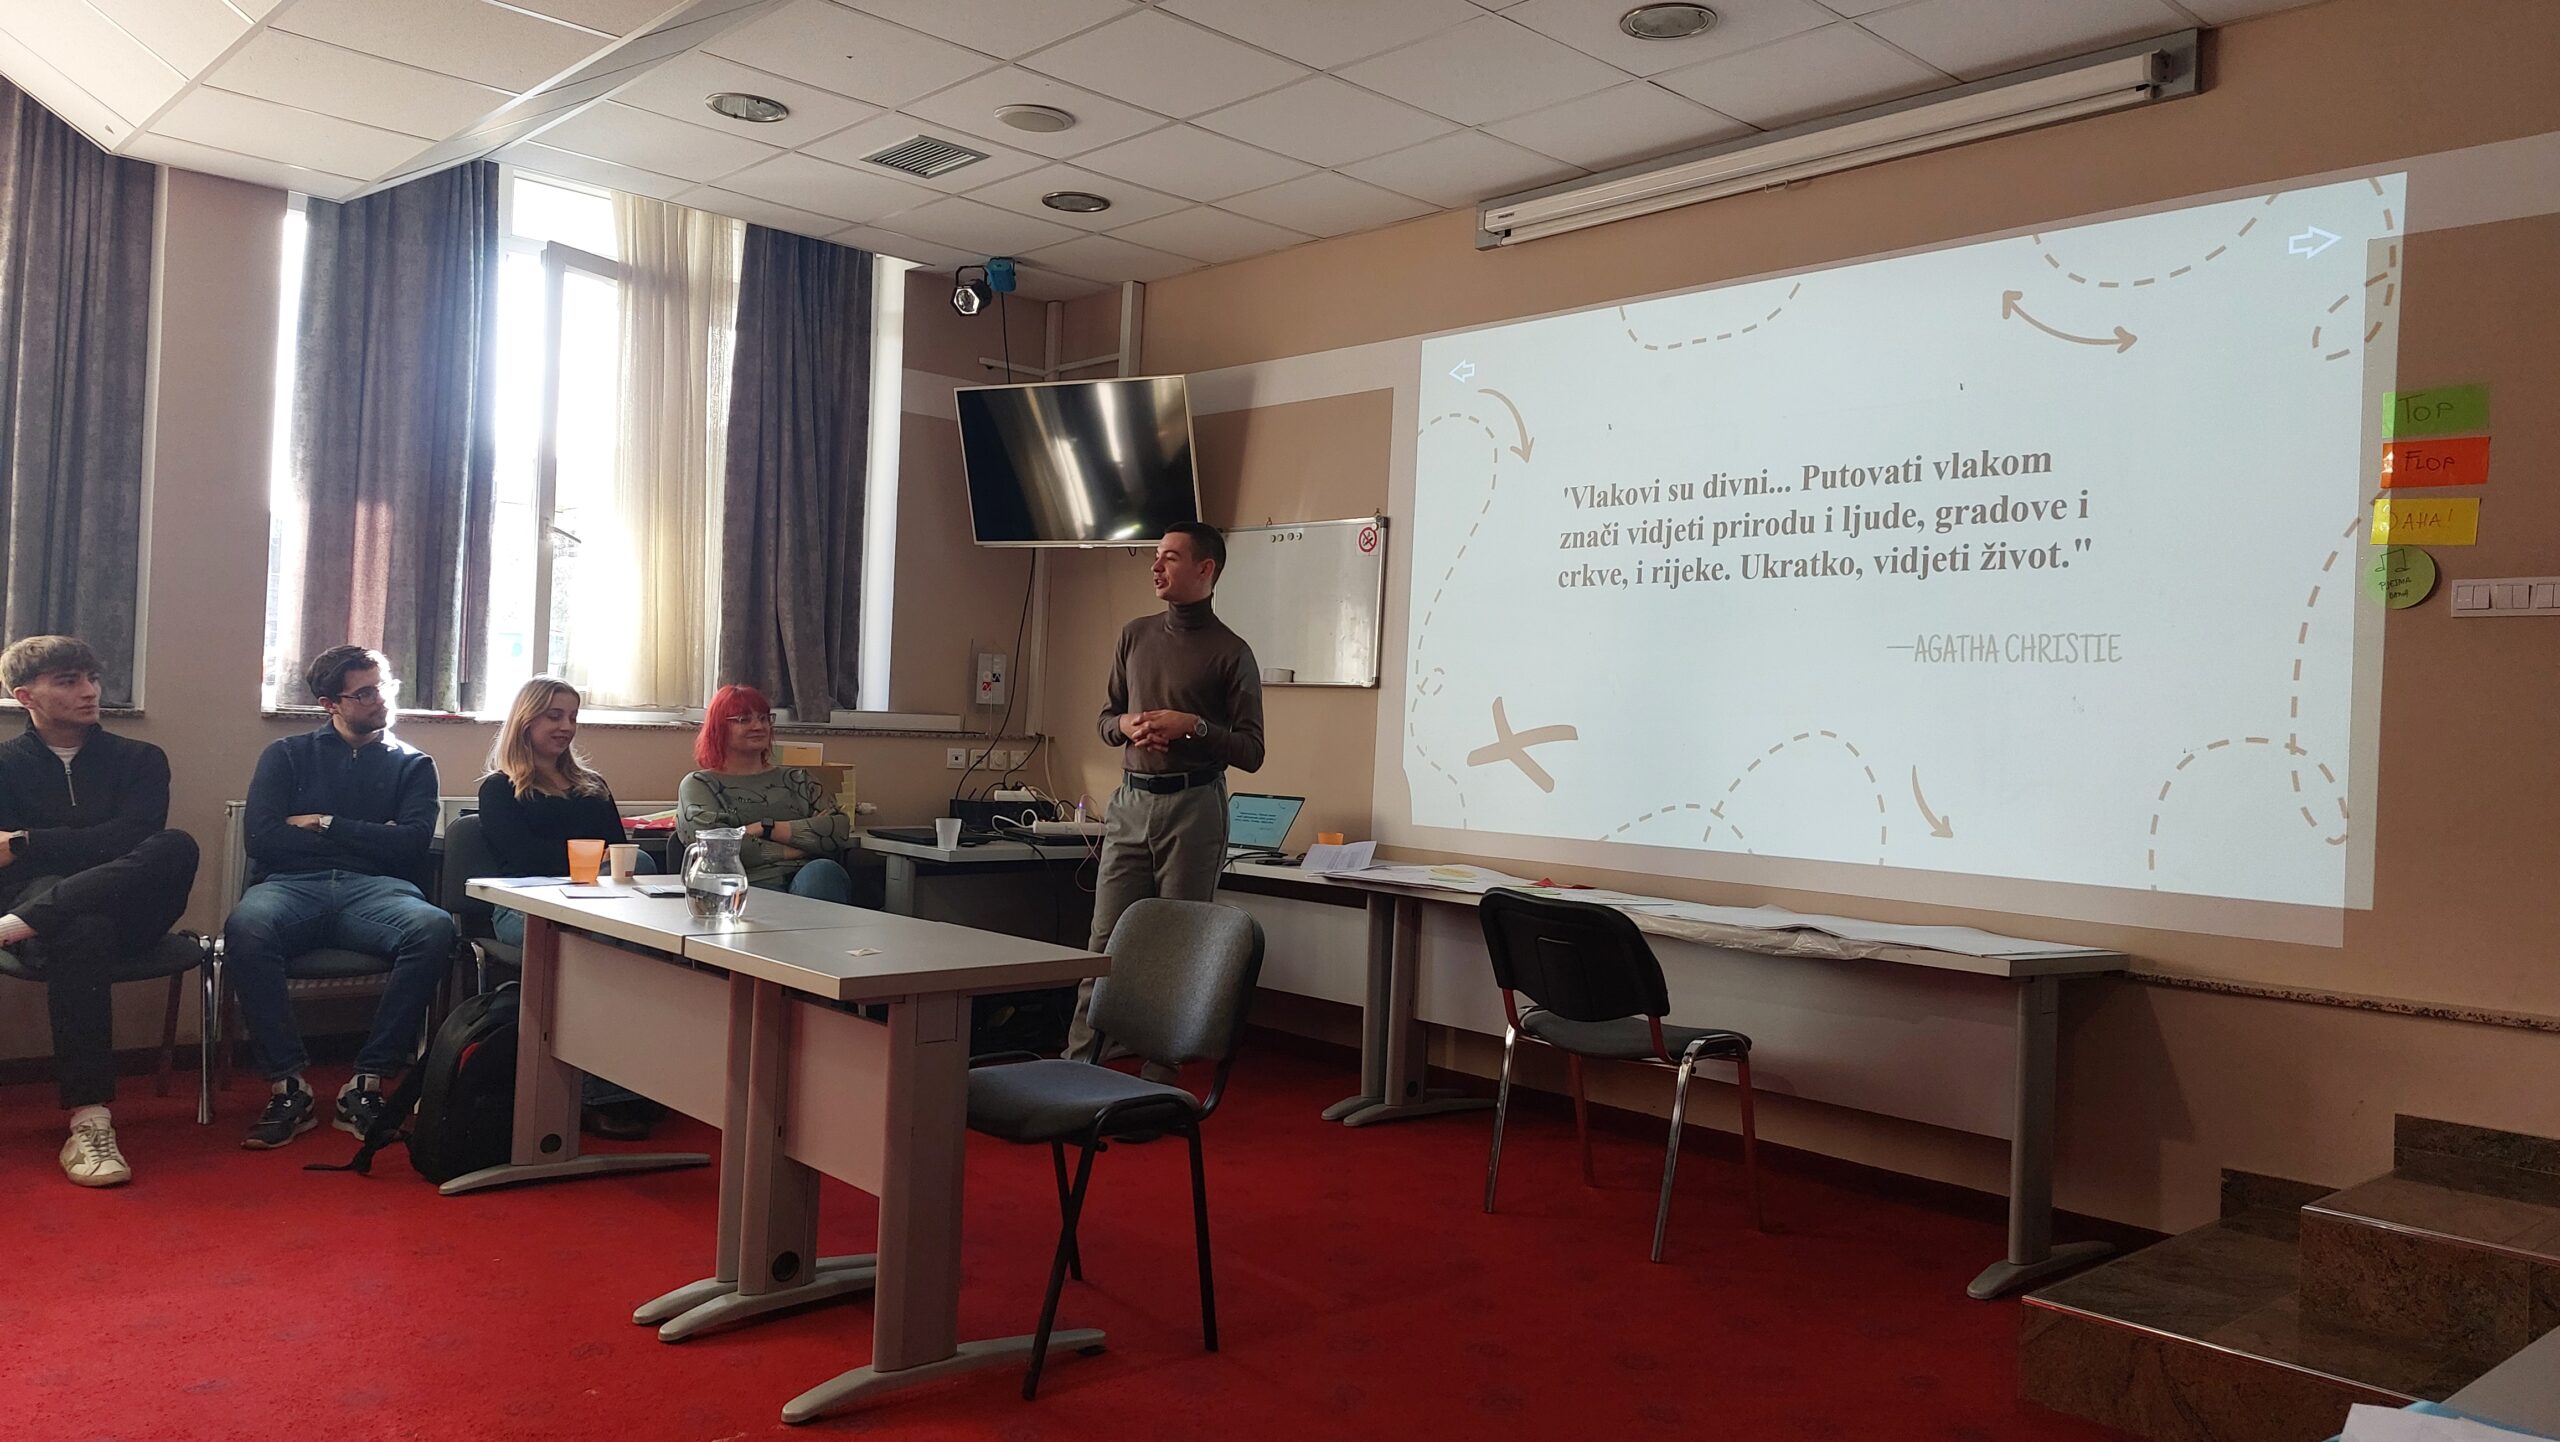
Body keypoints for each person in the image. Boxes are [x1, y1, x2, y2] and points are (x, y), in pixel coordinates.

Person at [225, 645, 456, 1150]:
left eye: (384, 686)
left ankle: (367, 1082)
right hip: (290, 887)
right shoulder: (286, 755)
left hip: (379, 891)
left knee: (434, 926)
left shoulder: (414, 765)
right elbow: (262, 839)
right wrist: (375, 834)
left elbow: (412, 844)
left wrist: (324, 822)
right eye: (365, 693)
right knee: (246, 926)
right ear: (330, 704)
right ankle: (288, 1087)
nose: (381, 699)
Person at [0, 636, 200, 1187]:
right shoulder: (3, 765)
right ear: (25, 696)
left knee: (175, 845)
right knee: (82, 925)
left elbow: (133, 840)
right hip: (55, 919)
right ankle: (90, 1120)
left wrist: (26, 841)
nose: (90, 692)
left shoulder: (140, 759)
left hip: (127, 916)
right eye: (68, 681)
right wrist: (67, 851)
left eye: (92, 678)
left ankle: (17, 926)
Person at [1066, 522, 1266, 1074]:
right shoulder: (1134, 635)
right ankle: (1078, 1065)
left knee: (1178, 948)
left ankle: (1157, 1081)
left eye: (1170, 557)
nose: (1156, 566)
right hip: (1130, 804)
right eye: (1156, 556)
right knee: (1104, 942)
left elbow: (1252, 751)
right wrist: (1127, 726)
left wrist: (1192, 727)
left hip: (1194, 809)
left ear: (1206, 569)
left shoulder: (1232, 652)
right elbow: (1106, 719)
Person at [475, 675, 660, 1139]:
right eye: (554, 716)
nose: (566, 727)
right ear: (526, 720)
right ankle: (597, 1095)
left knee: (645, 948)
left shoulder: (592, 786)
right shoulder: (500, 788)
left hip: (601, 904)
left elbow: (619, 851)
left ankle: (639, 1081)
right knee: (597, 949)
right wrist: (588, 859)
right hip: (525, 908)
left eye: (573, 717)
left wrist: (589, 860)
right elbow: (523, 858)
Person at [676, 684, 856, 903]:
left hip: (809, 880)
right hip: (742, 888)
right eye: (744, 720)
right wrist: (803, 846)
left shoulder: (798, 779)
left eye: (764, 718)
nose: (758, 726)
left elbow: (838, 830)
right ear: (719, 728)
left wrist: (765, 828)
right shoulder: (700, 784)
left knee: (823, 872)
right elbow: (716, 850)